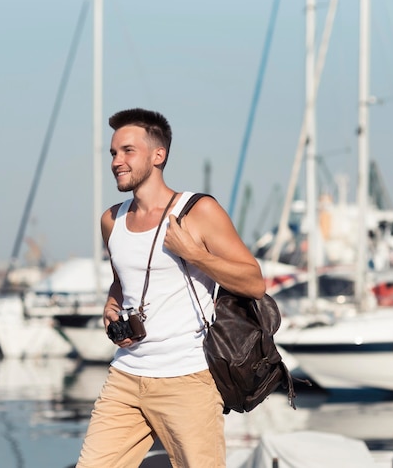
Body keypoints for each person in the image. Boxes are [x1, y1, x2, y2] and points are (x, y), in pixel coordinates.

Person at [76, 108, 266, 468]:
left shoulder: (198, 210)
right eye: (113, 153)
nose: (117, 161)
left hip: (188, 379)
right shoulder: (111, 220)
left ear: (158, 155)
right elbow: (122, 279)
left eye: (127, 151)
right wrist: (111, 303)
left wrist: (193, 253)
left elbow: (254, 282)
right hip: (127, 377)